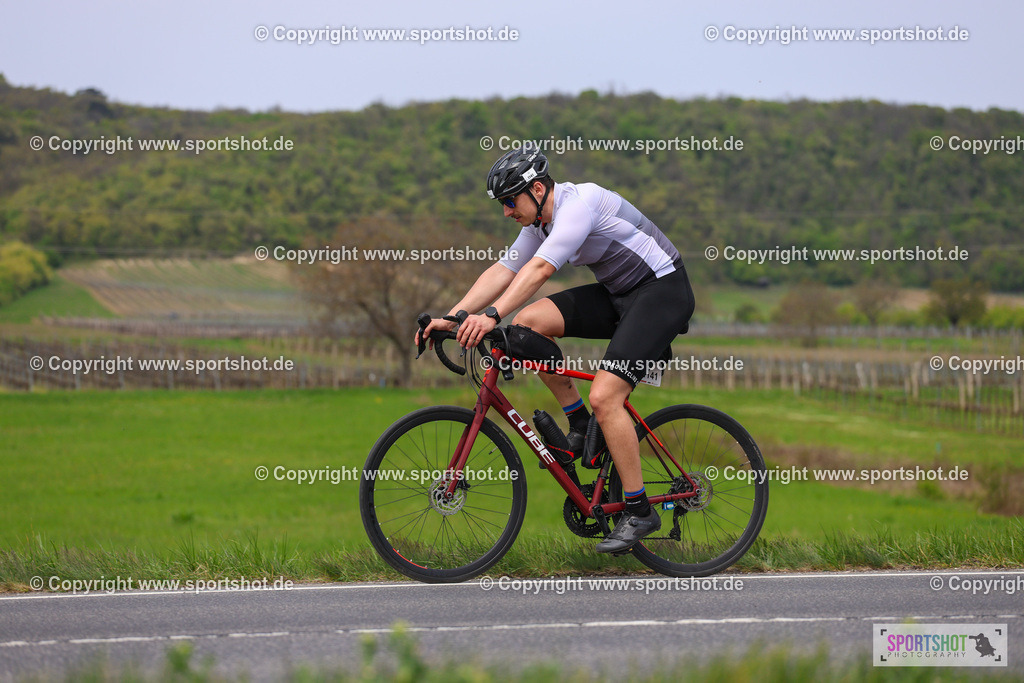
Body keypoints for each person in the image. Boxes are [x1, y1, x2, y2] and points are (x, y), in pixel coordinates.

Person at [417, 145, 694, 553]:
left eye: (511, 201)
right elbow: (504, 269)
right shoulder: (537, 226)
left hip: (662, 292)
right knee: (530, 324)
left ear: (539, 189)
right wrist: (454, 317)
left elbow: (541, 270)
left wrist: (491, 316)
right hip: (619, 293)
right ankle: (579, 422)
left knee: (606, 396)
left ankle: (639, 510)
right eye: (503, 204)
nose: (507, 212)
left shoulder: (578, 204)